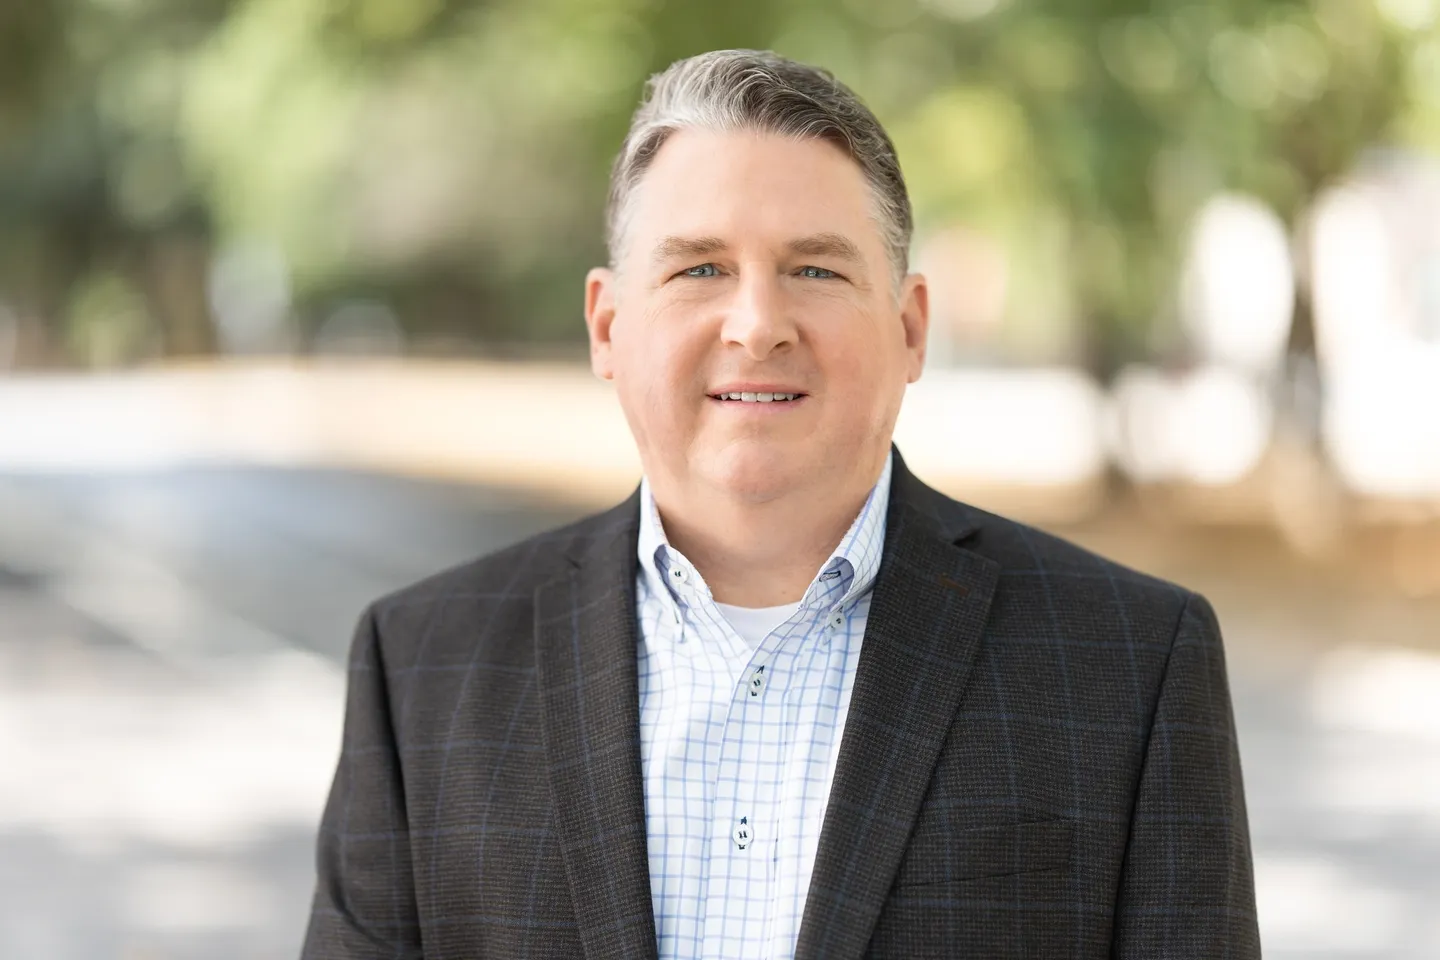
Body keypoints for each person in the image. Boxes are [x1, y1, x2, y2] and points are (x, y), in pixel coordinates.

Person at [301, 49, 1259, 960]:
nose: (758, 325)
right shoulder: (419, 663)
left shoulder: (1134, 663)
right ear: (607, 326)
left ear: (911, 327)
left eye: (816, 269)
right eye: (699, 269)